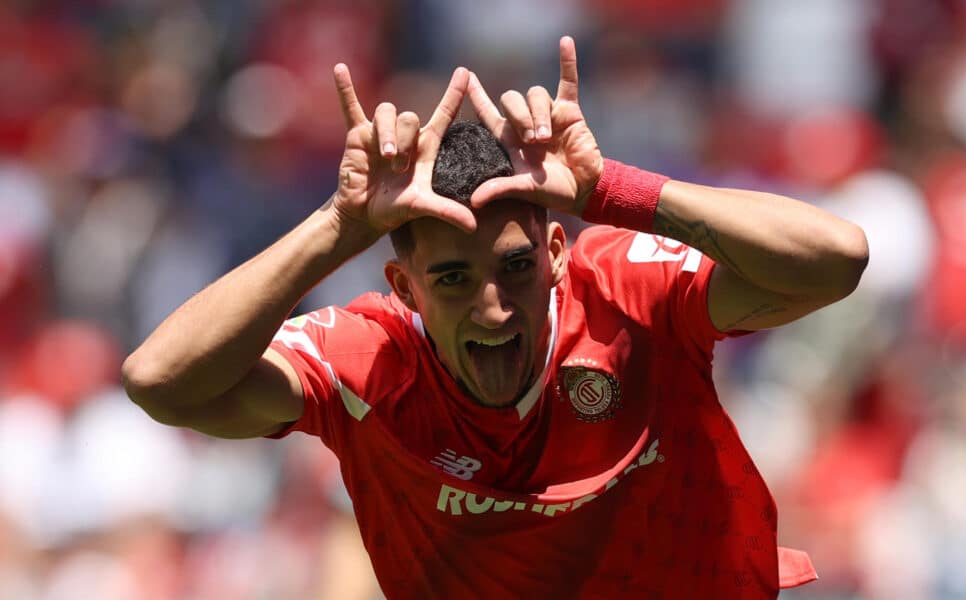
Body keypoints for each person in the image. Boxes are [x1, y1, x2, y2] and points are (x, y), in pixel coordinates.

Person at [123, 36, 868, 598]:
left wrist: (609, 188)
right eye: (451, 278)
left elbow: (835, 259)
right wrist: (337, 226)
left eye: (516, 266)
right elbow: (161, 382)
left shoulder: (623, 288)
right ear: (404, 288)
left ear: (553, 251)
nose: (493, 304)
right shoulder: (369, 360)